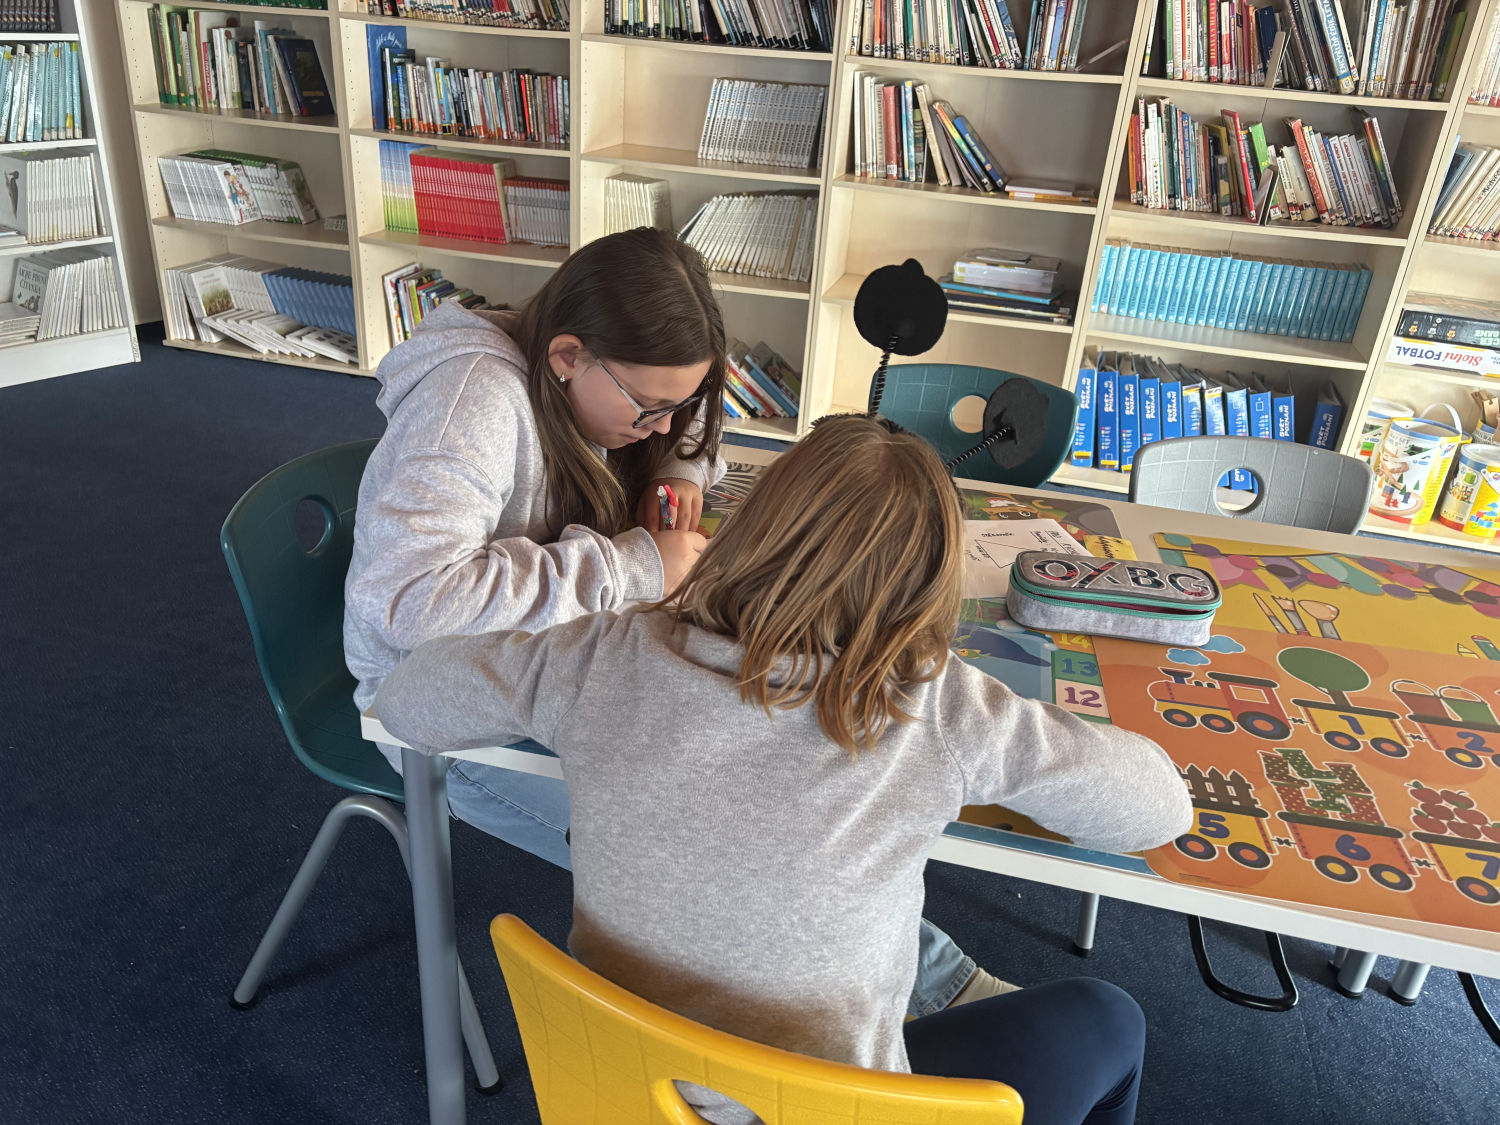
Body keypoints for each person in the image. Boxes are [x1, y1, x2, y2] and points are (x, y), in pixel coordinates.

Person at [373, 414, 1194, 1125]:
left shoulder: (604, 652)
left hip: (614, 1090)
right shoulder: (936, 706)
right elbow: (1160, 807)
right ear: (923, 592)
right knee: (1107, 1018)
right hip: (828, 1108)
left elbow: (407, 700)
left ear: (753, 527)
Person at [342, 229, 996, 1019]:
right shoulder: (469, 402)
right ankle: (937, 986)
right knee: (737, 821)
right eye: (649, 407)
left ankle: (929, 977)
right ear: (568, 356)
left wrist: (681, 472)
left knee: (774, 760)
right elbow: (408, 603)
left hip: (570, 654)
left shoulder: (601, 378)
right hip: (449, 707)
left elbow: (686, 429)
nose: (662, 425)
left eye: (678, 403)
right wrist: (634, 566)